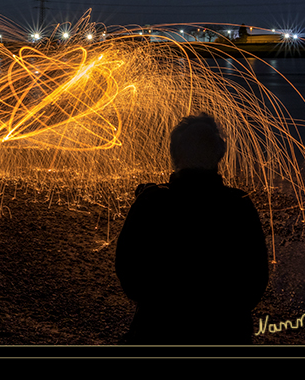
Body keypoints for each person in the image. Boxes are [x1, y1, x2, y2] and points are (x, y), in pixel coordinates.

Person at [115, 112, 269, 345]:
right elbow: (256, 278)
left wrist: (159, 306)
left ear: (175, 155)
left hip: (158, 331)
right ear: (220, 154)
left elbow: (127, 269)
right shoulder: (239, 205)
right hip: (226, 334)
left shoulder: (152, 203)